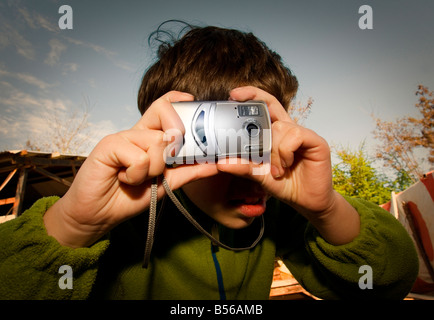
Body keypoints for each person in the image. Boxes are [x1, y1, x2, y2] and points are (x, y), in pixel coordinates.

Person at [0, 21, 418, 300]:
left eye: (259, 132)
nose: (246, 163)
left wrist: (326, 210)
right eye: (219, 138)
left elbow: (387, 283)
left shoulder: (278, 215)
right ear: (175, 142)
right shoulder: (122, 223)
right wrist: (74, 228)